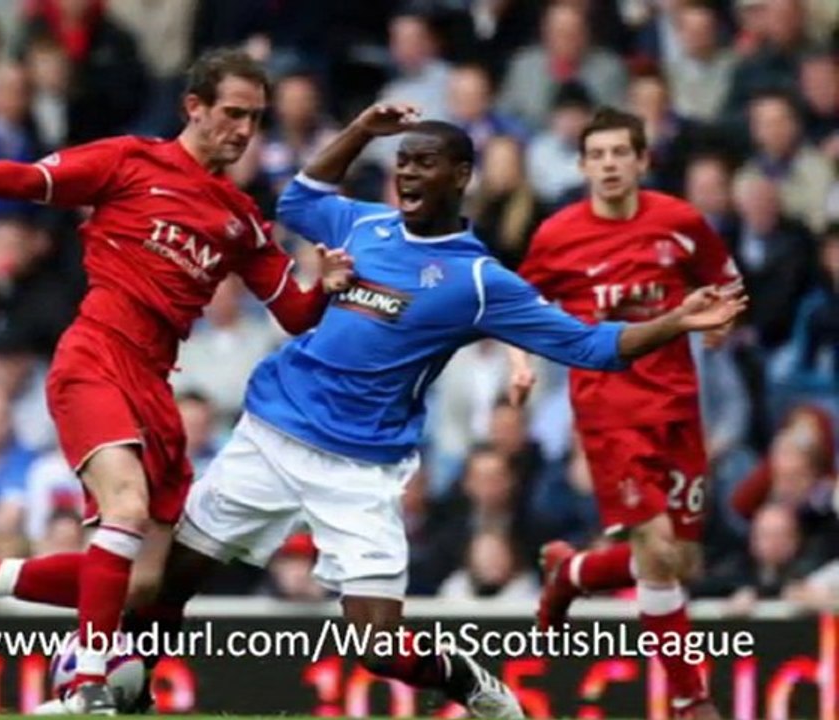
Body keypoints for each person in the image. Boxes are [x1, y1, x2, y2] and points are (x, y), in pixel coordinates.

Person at [50, 103, 737, 716]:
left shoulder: (477, 280)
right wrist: (358, 132)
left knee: (376, 648)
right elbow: (298, 200)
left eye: (424, 164)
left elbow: (592, 346)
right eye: (402, 162)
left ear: (460, 175)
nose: (407, 174)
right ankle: (99, 689)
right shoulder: (366, 223)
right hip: (270, 433)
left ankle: (462, 677)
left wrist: (676, 319)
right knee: (161, 591)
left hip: (360, 466)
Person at [0, 47, 353, 715]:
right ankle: (84, 676)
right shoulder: (129, 161)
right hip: (95, 358)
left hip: (154, 383)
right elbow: (34, 180)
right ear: (193, 107)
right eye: (232, 113)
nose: (242, 131)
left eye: (255, 120)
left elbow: (292, 312)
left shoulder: (240, 218)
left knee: (145, 585)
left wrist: (328, 287)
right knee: (124, 510)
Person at [511, 106, 742, 720]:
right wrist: (521, 364)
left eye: (621, 153)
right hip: (609, 411)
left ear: (642, 161)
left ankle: (574, 572)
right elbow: (517, 305)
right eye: (598, 154)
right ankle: (692, 701)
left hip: (678, 406)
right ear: (583, 165)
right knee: (659, 555)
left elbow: (724, 281)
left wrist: (723, 319)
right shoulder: (558, 235)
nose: (610, 164)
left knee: (679, 560)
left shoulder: (682, 222)